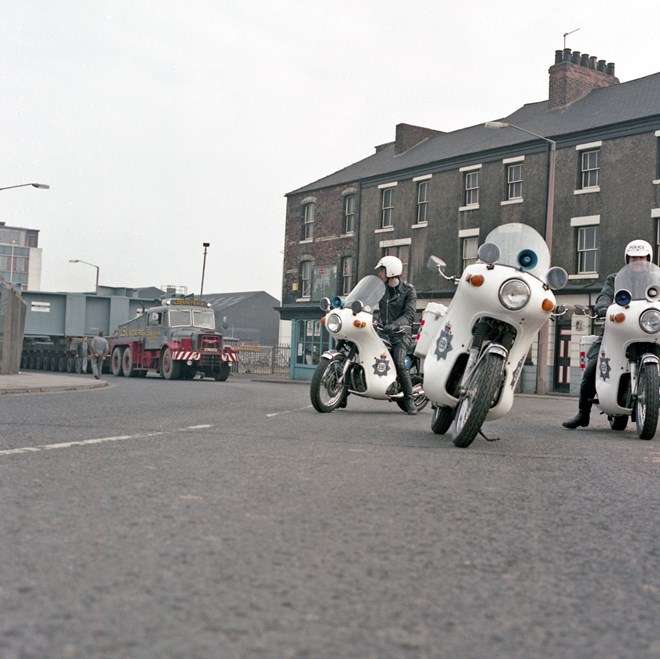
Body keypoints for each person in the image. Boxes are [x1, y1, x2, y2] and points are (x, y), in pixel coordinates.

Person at [562, 239, 653, 429]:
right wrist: (602, 307)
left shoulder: (656, 279)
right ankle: (583, 414)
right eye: (634, 257)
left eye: (642, 257)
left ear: (648, 259)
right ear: (627, 259)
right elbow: (605, 294)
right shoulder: (615, 278)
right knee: (593, 366)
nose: (638, 261)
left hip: (649, 332)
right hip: (616, 332)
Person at [375, 255, 418, 415]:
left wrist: (394, 325)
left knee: (399, 362)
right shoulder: (380, 289)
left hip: (401, 334)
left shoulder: (408, 290)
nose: (379, 274)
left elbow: (409, 315)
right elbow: (366, 300)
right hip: (382, 332)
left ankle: (409, 399)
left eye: (382, 270)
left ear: (391, 271)